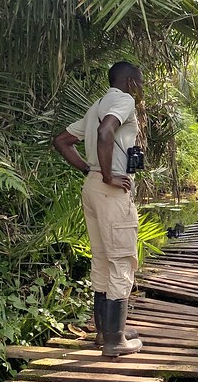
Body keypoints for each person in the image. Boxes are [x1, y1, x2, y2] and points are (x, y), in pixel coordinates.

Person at [52, 61, 145, 357]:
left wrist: (91, 171)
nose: (140, 89)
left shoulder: (97, 105)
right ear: (130, 82)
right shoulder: (124, 100)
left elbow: (63, 141)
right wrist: (107, 175)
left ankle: (105, 331)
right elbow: (106, 133)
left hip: (93, 189)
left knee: (103, 259)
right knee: (121, 262)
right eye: (139, 83)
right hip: (110, 192)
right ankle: (115, 342)